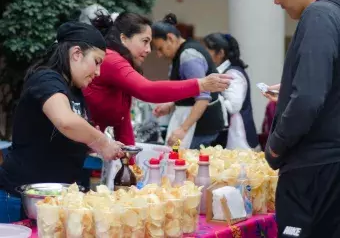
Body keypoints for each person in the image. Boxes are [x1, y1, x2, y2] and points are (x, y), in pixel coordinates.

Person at [0, 21, 124, 223]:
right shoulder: (46, 79)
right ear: (76, 53)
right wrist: (101, 142)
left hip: (54, 201)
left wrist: (95, 145)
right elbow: (66, 121)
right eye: (97, 61)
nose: (98, 72)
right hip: (18, 198)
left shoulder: (74, 90)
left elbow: (65, 136)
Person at [264, 0, 340, 238]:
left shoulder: (318, 16)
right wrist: (290, 88)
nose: (276, 1)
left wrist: (275, 145)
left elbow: (308, 99)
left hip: (314, 172)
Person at [83, 12, 231, 147]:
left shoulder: (120, 61)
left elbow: (123, 122)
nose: (149, 50)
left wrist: (131, 163)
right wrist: (201, 84)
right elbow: (147, 90)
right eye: (145, 41)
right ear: (123, 38)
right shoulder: (112, 59)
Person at [152, 14, 226, 149]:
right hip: (195, 121)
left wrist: (183, 129)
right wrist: (171, 105)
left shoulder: (188, 56)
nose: (159, 54)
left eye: (160, 48)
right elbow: (189, 92)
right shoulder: (181, 54)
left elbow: (202, 97)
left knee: (187, 166)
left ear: (170, 38)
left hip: (201, 125)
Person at [203, 33, 258, 149]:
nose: (204, 55)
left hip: (238, 136)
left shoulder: (233, 74)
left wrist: (208, 102)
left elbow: (234, 106)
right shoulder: (222, 72)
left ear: (221, 53)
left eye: (207, 50)